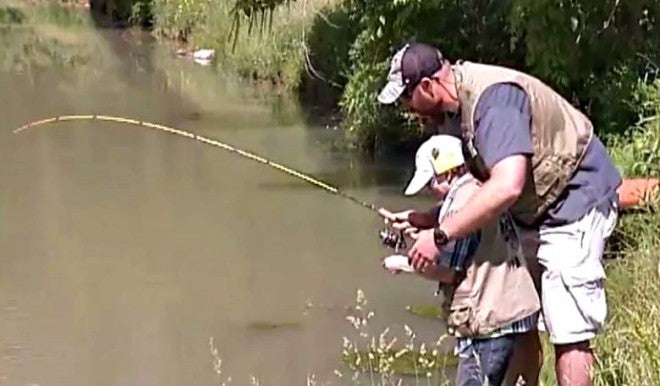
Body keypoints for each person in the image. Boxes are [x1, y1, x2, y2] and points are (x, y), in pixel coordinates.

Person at [376, 42, 621, 386]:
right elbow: (479, 184)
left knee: (568, 328)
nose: (406, 109)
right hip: (530, 210)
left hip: (574, 199)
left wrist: (441, 234)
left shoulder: (493, 103)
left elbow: (507, 185)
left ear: (428, 87)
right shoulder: (453, 112)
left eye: (406, 98)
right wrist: (429, 218)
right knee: (520, 318)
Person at [379, 134, 540, 386]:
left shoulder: (462, 205)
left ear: (448, 173)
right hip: (514, 311)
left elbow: (449, 271)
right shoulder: (480, 189)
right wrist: (420, 222)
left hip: (490, 320)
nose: (429, 190)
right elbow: (472, 242)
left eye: (431, 181)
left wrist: (403, 264)